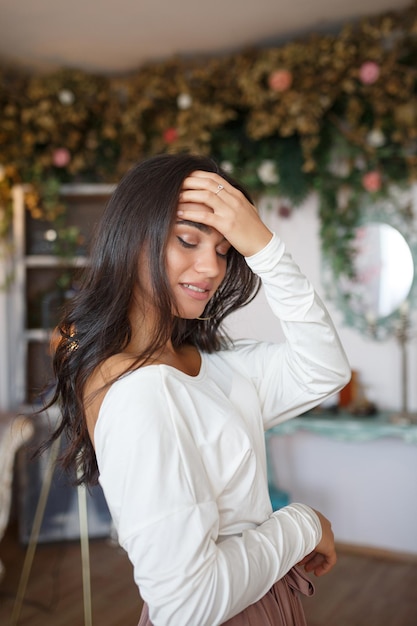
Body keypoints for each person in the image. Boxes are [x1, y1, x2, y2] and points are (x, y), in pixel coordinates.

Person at [45, 153, 351, 626]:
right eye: (188, 240)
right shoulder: (135, 391)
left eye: (227, 249)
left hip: (271, 606)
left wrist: (266, 248)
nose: (210, 267)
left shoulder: (215, 366)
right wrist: (303, 524)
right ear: (133, 237)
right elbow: (189, 605)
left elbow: (324, 369)